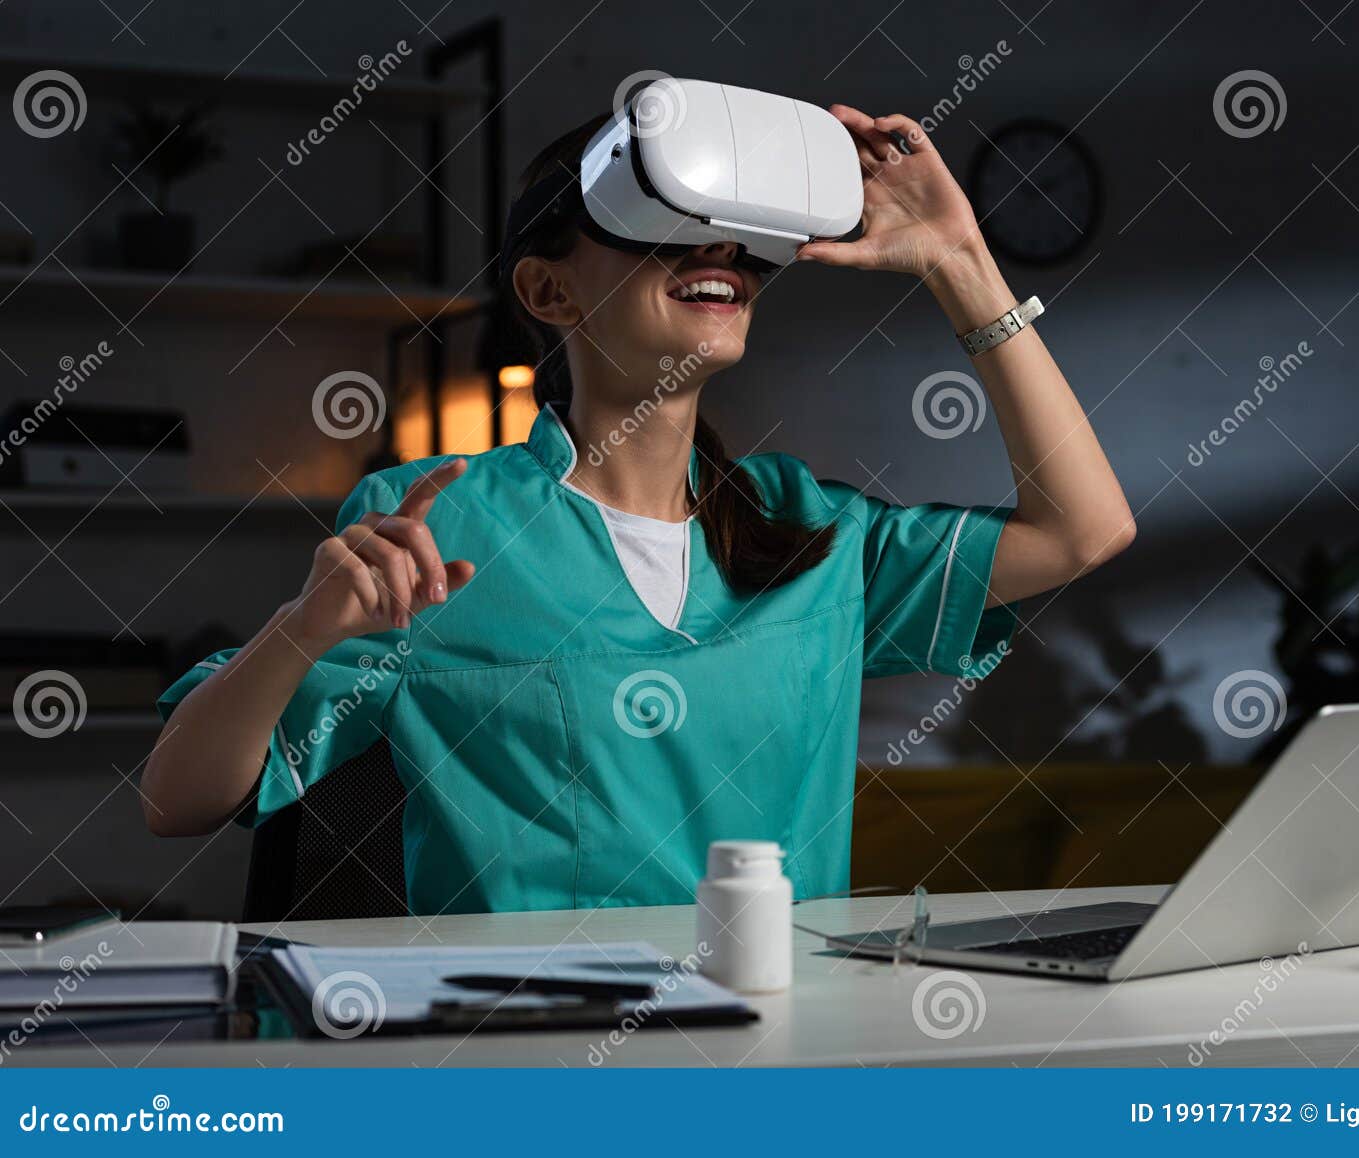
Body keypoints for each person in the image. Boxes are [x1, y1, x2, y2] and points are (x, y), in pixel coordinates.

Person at [142, 104, 1135, 915]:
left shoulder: (813, 535)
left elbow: (1083, 531)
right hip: (539, 1061)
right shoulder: (440, 522)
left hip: (788, 1053)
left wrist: (960, 263)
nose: (719, 250)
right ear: (549, 289)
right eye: (656, 215)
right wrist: (304, 633)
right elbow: (178, 799)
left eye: (738, 233)